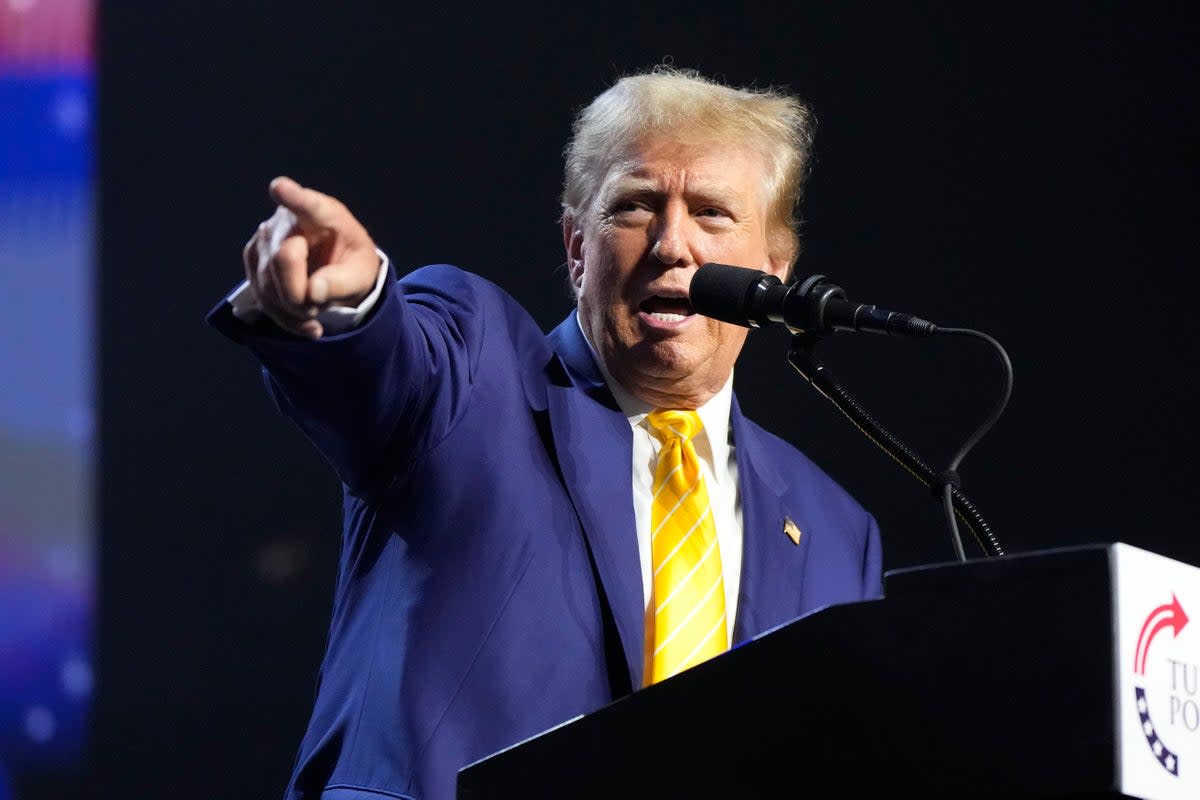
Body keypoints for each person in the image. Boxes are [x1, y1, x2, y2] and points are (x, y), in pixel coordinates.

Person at [208, 65, 883, 800]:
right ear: (575, 247)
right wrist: (350, 304)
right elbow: (384, 366)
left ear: (774, 272)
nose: (671, 244)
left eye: (713, 214)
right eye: (634, 206)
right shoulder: (472, 370)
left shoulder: (837, 534)